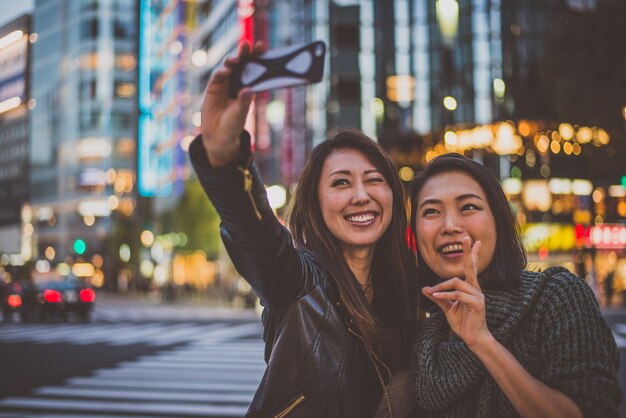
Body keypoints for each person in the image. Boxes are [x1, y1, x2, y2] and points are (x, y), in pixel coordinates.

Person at [188, 43, 416, 417]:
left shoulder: (406, 284)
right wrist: (224, 155)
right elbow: (254, 234)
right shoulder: (299, 281)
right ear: (314, 203)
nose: (361, 196)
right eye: (341, 183)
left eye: (374, 180)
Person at [408, 153, 621, 417]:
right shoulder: (423, 334)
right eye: (431, 211)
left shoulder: (555, 296)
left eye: (468, 207)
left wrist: (483, 342)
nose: (449, 225)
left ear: (498, 220)